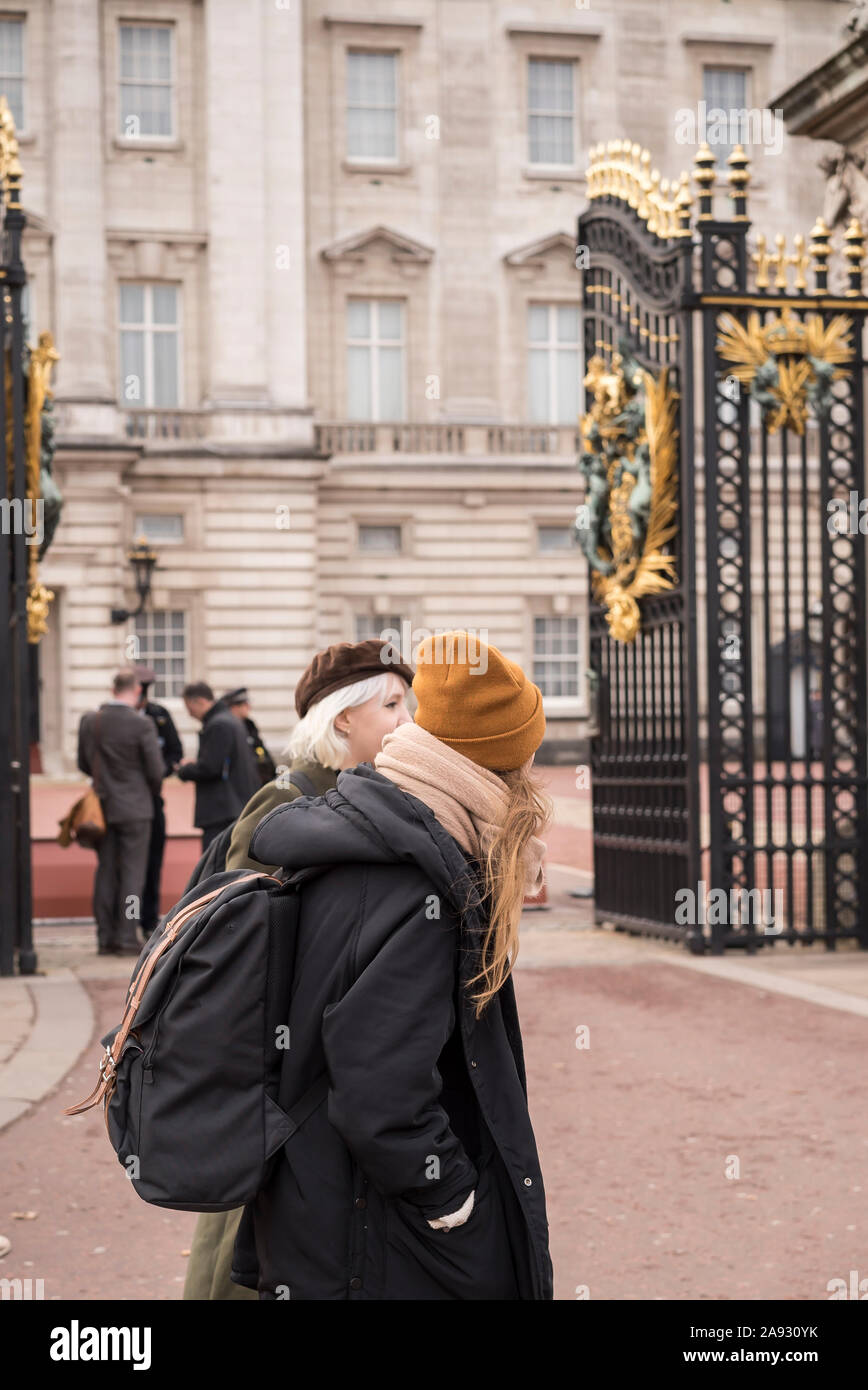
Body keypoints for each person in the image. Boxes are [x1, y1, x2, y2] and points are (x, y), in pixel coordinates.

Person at [230, 631, 554, 1300]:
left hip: (326, 1201)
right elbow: (379, 1084)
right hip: (375, 1223)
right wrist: (449, 1197)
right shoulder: (421, 871)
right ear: (498, 765)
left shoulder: (374, 822)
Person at [183, 637, 414, 1301]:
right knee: (249, 1252)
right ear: (344, 717)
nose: (408, 720)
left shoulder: (375, 797)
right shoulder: (287, 801)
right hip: (275, 1080)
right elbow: (233, 949)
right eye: (392, 704)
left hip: (334, 1069)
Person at [77, 667, 165, 955]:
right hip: (136, 807)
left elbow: (83, 763)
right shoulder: (142, 725)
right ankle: (127, 935)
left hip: (102, 805)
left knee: (105, 872)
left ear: (113, 689)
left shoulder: (91, 721)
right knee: (132, 875)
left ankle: (105, 936)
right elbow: (156, 771)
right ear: (137, 690)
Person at [175, 682, 260, 852]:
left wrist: (183, 771)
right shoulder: (230, 720)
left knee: (215, 867)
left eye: (189, 708)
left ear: (199, 701)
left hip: (222, 810)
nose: (190, 714)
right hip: (233, 805)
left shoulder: (218, 724)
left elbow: (210, 768)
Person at [135, 666, 183, 937]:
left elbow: (175, 751)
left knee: (153, 862)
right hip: (126, 801)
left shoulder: (159, 715)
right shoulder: (116, 716)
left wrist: (160, 772)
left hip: (153, 798)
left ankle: (148, 920)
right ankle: (125, 922)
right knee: (128, 866)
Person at [222, 687, 277, 787]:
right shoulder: (227, 729)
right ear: (234, 707)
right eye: (245, 704)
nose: (249, 707)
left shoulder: (249, 725)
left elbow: (261, 750)